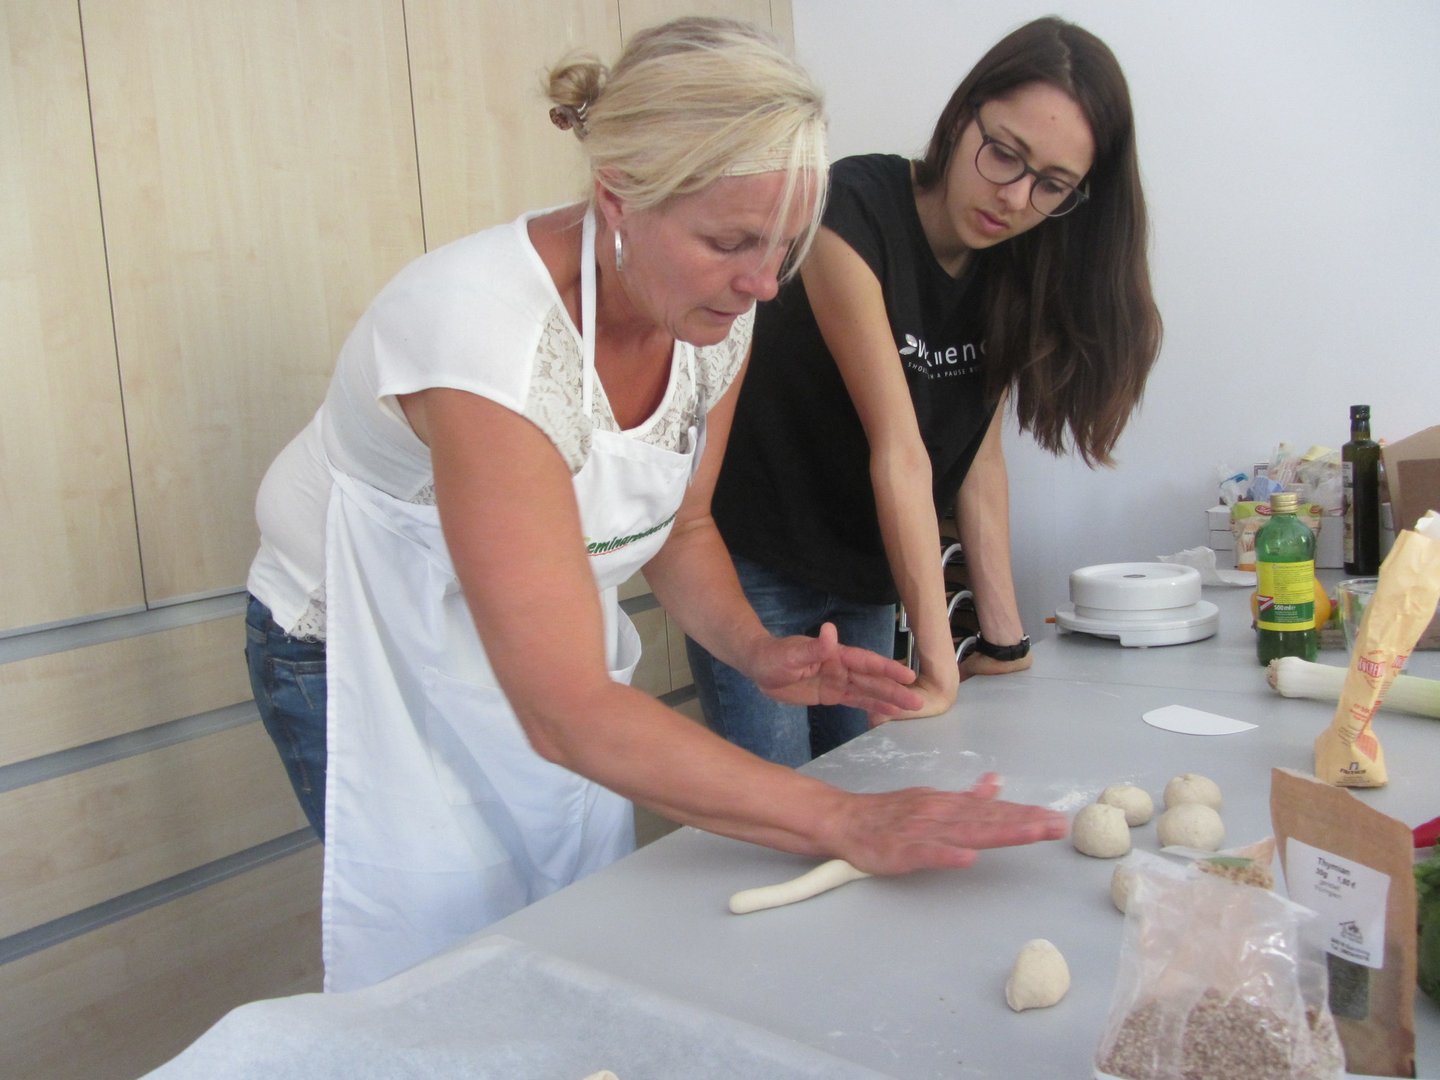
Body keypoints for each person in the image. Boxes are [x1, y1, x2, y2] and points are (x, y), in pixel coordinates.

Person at [243, 17, 1069, 993]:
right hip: (363, 644)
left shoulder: (716, 314)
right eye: (730, 242)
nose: (764, 283)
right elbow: (567, 713)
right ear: (617, 198)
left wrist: (756, 649)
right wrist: (846, 819)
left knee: (567, 927)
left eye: (786, 246)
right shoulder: (484, 343)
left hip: (542, 650)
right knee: (439, 962)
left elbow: (683, 526)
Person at [687, 17, 1163, 766]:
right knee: (780, 798)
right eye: (1004, 153)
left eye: (1051, 185)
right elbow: (901, 450)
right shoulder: (850, 212)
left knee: (865, 781)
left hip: (865, 573)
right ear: (963, 114)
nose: (1014, 197)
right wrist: (940, 669)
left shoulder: (1014, 264)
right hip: (760, 565)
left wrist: (1003, 643)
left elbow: (977, 462)